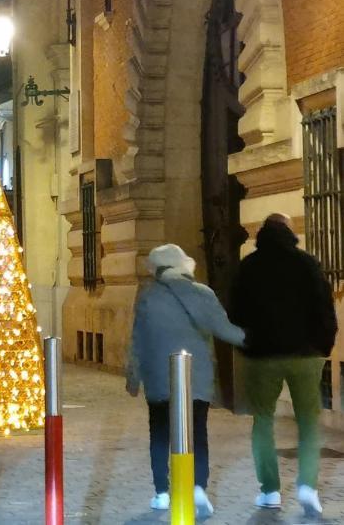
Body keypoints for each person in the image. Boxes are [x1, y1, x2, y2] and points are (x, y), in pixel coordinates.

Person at [126, 243, 245, 516]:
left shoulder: (147, 296)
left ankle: (161, 492)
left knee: (159, 432)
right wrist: (253, 339)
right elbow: (223, 328)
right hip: (195, 376)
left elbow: (137, 338)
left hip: (158, 375)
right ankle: (198, 489)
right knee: (197, 433)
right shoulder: (202, 293)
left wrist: (133, 374)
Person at [230, 213, 337, 516]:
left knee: (262, 421)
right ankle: (307, 486)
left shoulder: (248, 267)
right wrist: (322, 345)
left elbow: (236, 312)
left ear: (262, 233)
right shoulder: (307, 263)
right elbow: (325, 307)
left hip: (263, 357)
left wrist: (248, 344)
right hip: (305, 356)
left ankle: (270, 491)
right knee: (308, 422)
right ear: (290, 232)